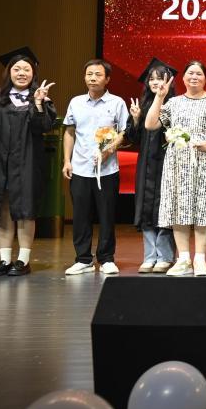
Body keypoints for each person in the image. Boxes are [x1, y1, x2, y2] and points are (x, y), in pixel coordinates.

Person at [0, 46, 57, 277]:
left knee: (25, 209)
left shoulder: (40, 97)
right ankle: (4, 259)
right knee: (3, 207)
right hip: (0, 160)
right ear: (9, 72)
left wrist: (39, 104)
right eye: (17, 69)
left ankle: (23, 259)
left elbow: (44, 127)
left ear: (33, 73)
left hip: (28, 160)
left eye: (26, 69)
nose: (22, 73)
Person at [146, 60, 206, 277]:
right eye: (190, 73)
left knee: (203, 208)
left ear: (205, 79)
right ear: (183, 78)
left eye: (198, 74)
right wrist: (159, 96)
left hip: (204, 160)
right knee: (179, 208)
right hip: (177, 163)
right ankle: (183, 259)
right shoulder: (173, 102)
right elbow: (150, 124)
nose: (194, 77)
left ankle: (199, 259)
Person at [62, 59, 129, 276]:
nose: (93, 78)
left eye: (98, 74)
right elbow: (69, 132)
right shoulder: (76, 102)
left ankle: (106, 258)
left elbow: (124, 132)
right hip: (80, 168)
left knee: (107, 215)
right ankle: (83, 259)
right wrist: (67, 161)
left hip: (107, 169)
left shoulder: (117, 103)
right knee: (81, 215)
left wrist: (110, 149)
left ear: (107, 79)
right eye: (89, 74)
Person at [126, 58, 177, 273]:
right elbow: (133, 138)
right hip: (146, 163)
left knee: (164, 207)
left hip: (167, 162)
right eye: (152, 79)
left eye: (160, 78)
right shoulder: (144, 104)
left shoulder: (175, 104)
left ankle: (165, 256)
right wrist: (136, 119)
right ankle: (150, 256)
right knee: (146, 208)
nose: (156, 82)